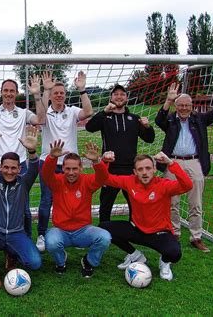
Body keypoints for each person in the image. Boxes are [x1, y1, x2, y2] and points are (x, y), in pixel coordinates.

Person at [155, 72, 213, 252]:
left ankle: (196, 236)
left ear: (192, 106)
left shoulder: (199, 119)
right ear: (176, 106)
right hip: (173, 163)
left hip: (194, 162)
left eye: (187, 105)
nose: (184, 108)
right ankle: (174, 233)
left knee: (195, 202)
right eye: (180, 105)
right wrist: (168, 101)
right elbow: (159, 120)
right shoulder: (171, 120)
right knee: (172, 201)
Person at [0, 74, 46, 237]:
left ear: (17, 93)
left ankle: (23, 242)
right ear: (1, 92)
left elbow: (41, 119)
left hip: (20, 166)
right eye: (5, 90)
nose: (8, 93)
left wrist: (37, 95)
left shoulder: (24, 113)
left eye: (12, 91)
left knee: (23, 207)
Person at [99, 152, 193, 281]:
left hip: (159, 233)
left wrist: (171, 163)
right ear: (135, 172)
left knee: (174, 253)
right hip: (137, 229)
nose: (144, 172)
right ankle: (135, 255)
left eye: (148, 168)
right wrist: (103, 162)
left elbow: (187, 185)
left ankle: (165, 262)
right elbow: (104, 178)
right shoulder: (129, 181)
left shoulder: (164, 185)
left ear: (154, 169)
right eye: (140, 169)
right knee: (104, 228)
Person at [0, 122, 41, 290]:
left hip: (16, 233)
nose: (10, 171)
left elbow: (34, 169)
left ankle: (11, 255)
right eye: (6, 167)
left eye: (14, 168)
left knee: (35, 263)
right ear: (0, 167)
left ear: (19, 169)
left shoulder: (24, 183)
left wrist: (32, 151)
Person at [36, 70, 94, 252]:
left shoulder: (72, 111)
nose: (59, 95)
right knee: (47, 200)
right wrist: (45, 90)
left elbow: (89, 111)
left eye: (62, 93)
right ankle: (42, 234)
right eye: (55, 93)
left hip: (70, 165)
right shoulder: (45, 114)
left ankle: (76, 233)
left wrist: (82, 90)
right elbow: (40, 116)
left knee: (75, 200)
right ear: (51, 96)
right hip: (49, 163)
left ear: (65, 95)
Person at [85, 84, 155, 223]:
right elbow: (89, 127)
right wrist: (104, 111)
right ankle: (105, 230)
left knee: (134, 203)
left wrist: (148, 127)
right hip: (110, 169)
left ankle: (135, 229)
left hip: (130, 169)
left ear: (127, 98)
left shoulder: (134, 119)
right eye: (116, 94)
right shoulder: (105, 117)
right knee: (106, 204)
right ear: (111, 98)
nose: (119, 96)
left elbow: (150, 139)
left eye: (122, 94)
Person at [42, 139, 111, 278]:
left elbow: (103, 177)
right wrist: (52, 158)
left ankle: (89, 261)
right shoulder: (57, 182)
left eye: (75, 169)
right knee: (51, 242)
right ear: (62, 169)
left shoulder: (87, 181)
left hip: (83, 231)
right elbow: (46, 174)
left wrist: (97, 162)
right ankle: (61, 261)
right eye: (68, 168)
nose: (71, 172)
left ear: (81, 168)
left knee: (105, 237)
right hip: (61, 230)